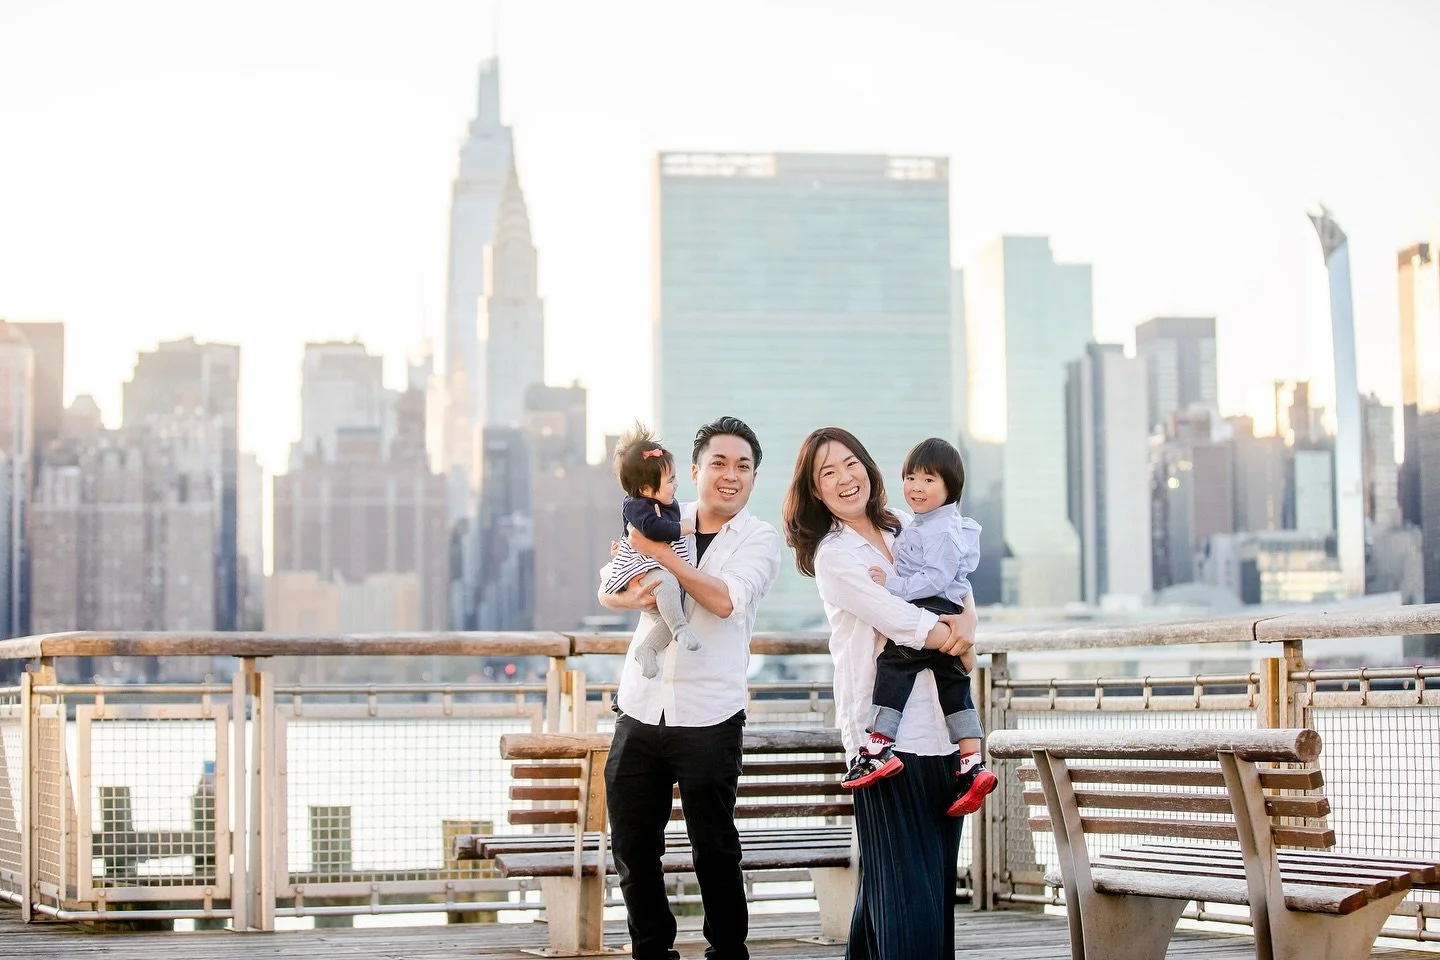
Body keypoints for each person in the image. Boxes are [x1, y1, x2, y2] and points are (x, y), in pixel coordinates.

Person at [782, 426, 977, 960]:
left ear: (868, 468)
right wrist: (957, 640)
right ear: (815, 492)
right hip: (884, 744)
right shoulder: (835, 556)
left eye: (851, 464)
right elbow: (904, 621)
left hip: (940, 734)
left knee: (921, 895)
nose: (845, 478)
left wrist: (968, 623)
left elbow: (956, 582)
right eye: (828, 473)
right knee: (906, 903)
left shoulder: (905, 529)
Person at [597, 416, 782, 960]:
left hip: (709, 714)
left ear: (753, 477)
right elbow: (610, 582)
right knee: (633, 847)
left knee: (715, 848)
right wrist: (628, 594)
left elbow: (725, 600)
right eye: (719, 463)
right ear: (695, 470)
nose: (731, 475)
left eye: (743, 466)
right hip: (639, 707)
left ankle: (727, 951)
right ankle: (652, 951)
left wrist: (660, 559)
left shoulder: (759, 538)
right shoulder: (659, 515)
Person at [847, 437, 997, 817]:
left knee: (894, 663)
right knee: (953, 683)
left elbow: (936, 578)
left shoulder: (942, 530)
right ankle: (970, 761)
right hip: (946, 611)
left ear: (950, 487)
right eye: (911, 477)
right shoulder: (923, 522)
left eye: (928, 480)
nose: (916, 487)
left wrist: (894, 585)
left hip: (930, 608)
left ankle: (879, 744)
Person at [605, 424, 701, 678]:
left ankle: (647, 649)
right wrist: (682, 528)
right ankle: (681, 628)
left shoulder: (661, 503)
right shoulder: (637, 506)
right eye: (670, 480)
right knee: (668, 582)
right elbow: (653, 529)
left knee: (668, 616)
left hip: (651, 570)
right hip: (644, 570)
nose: (676, 485)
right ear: (646, 489)